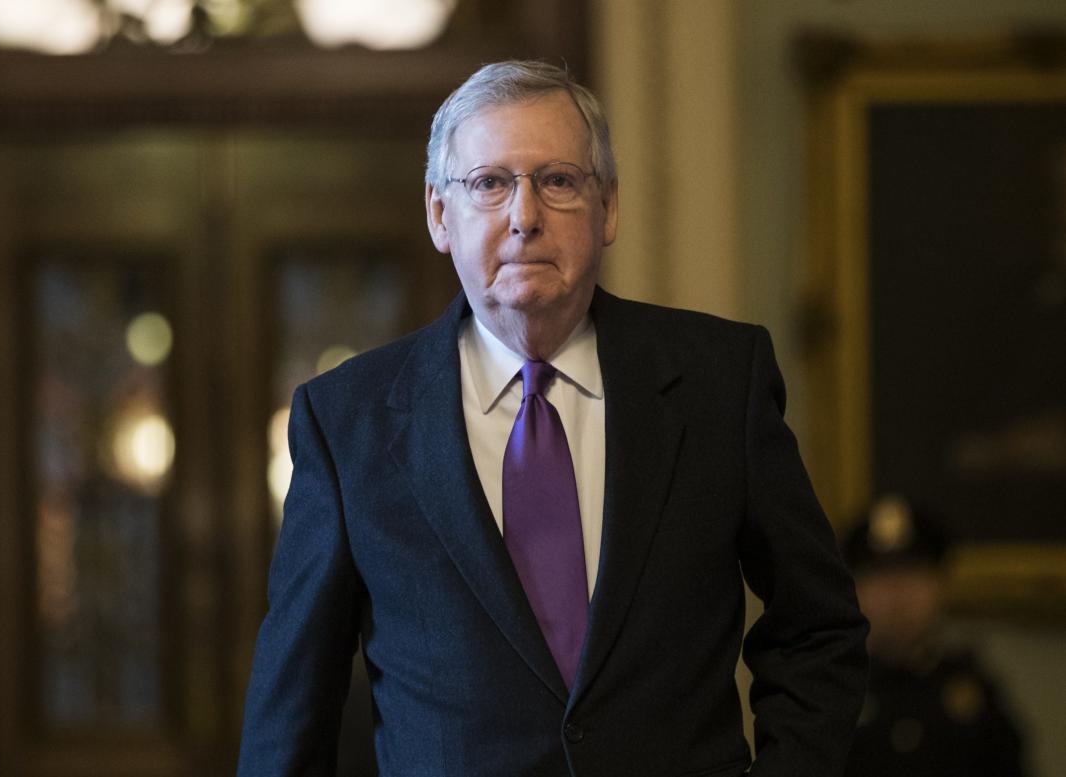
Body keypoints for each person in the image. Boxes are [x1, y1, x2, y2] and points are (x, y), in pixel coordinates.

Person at [237, 60, 868, 777]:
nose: (524, 216)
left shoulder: (720, 380)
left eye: (558, 181)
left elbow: (818, 628)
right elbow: (292, 708)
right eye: (489, 183)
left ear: (610, 210)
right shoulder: (347, 421)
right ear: (440, 215)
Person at [843, 494, 1026, 777]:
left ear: (940, 586)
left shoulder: (973, 694)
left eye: (911, 573)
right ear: (856, 588)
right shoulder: (836, 690)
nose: (897, 594)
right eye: (880, 575)